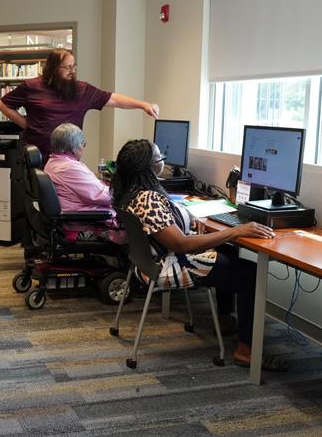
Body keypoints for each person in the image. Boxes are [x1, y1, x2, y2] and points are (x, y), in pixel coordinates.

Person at [110, 139, 288, 371]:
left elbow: (164, 227)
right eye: (160, 158)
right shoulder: (148, 198)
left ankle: (224, 320)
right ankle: (246, 351)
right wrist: (235, 231)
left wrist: (189, 221)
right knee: (250, 274)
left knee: (228, 250)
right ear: (148, 167)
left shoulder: (132, 192)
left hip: (148, 262)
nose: (163, 161)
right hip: (168, 266)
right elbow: (181, 244)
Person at [0, 48, 160, 162]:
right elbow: (3, 104)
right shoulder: (31, 87)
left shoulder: (82, 90)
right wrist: (26, 124)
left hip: (69, 161)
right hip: (37, 158)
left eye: (74, 66)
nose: (72, 71)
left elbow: (114, 99)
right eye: (67, 67)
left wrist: (143, 105)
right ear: (53, 68)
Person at [43, 123, 123, 243]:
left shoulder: (53, 163)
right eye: (82, 144)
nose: (83, 147)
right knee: (134, 227)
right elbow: (103, 197)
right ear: (73, 148)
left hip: (73, 219)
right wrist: (124, 190)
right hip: (84, 225)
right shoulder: (69, 168)